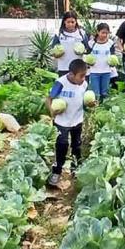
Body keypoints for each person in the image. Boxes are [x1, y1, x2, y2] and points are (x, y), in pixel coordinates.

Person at [47, 59, 89, 187]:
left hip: (77, 120)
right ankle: (57, 171)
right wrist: (52, 112)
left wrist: (90, 105)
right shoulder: (61, 83)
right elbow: (49, 99)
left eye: (85, 75)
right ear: (71, 74)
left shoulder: (84, 84)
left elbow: (85, 102)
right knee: (62, 145)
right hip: (62, 121)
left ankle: (75, 167)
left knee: (77, 144)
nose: (83, 78)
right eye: (81, 76)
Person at [51, 11, 88, 76]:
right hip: (63, 67)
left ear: (76, 22)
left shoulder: (81, 33)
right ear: (64, 22)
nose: (70, 24)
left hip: (78, 67)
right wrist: (57, 55)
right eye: (68, 22)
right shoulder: (59, 33)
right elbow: (53, 49)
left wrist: (82, 52)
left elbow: (87, 48)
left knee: (78, 85)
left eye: (72, 22)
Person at [88, 22, 116, 101]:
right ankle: (96, 109)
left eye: (106, 33)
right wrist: (88, 63)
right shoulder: (91, 43)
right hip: (94, 72)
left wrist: (113, 63)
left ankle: (104, 108)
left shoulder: (110, 43)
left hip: (106, 72)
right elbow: (86, 55)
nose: (104, 35)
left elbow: (113, 56)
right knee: (96, 94)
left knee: (105, 93)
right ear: (98, 32)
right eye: (103, 32)